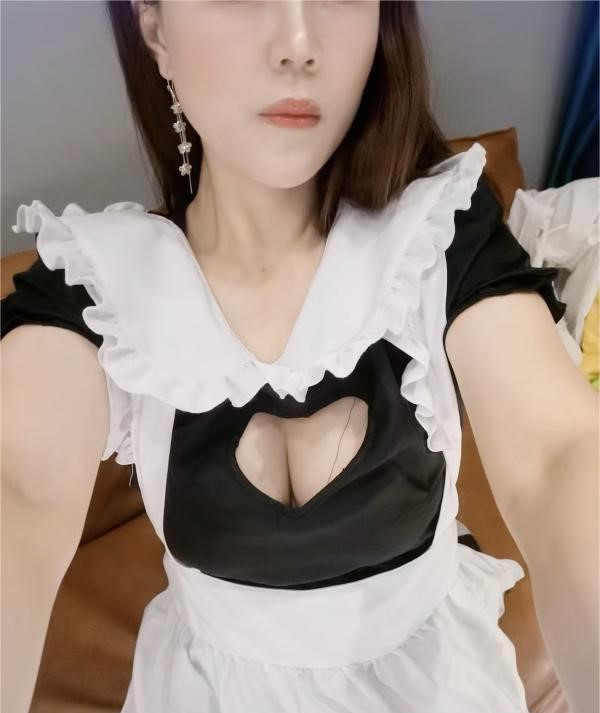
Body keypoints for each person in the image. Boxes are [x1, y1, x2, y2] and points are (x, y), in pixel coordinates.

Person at [3, 2, 595, 712]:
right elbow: (19, 486)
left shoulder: (436, 235)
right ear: (154, 28)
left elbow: (558, 455)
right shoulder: (100, 286)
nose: (298, 44)